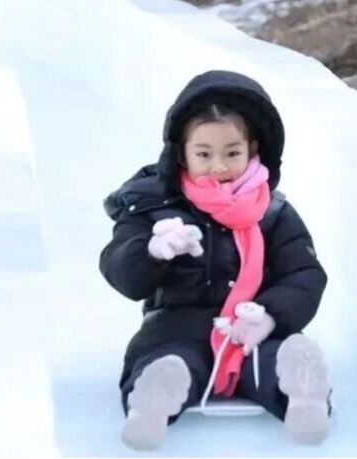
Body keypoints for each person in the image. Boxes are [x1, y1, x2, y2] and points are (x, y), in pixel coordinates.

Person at [99, 69, 330, 451]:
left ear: (253, 149)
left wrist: (270, 316)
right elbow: (120, 269)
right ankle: (156, 397)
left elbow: (304, 273)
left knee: (267, 358)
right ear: (181, 153)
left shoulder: (272, 212)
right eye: (204, 154)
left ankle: (303, 393)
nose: (219, 166)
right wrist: (154, 251)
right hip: (176, 327)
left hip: (251, 328)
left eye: (232, 153)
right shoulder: (153, 207)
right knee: (171, 357)